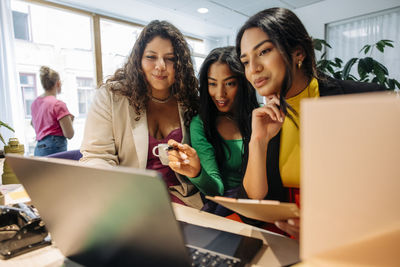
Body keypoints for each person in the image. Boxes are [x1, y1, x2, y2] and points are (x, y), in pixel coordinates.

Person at [236, 7, 385, 238]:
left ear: (298, 52)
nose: (253, 69)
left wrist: (331, 224)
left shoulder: (364, 99)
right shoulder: (262, 119)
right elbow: (252, 209)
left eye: (264, 51)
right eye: (245, 61)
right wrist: (258, 141)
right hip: (286, 241)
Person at [80, 20, 202, 208]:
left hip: (182, 200)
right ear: (138, 60)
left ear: (180, 64)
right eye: (151, 57)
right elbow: (97, 156)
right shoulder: (112, 96)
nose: (160, 66)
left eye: (170, 58)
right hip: (129, 200)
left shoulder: (190, 100)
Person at [167, 47, 259, 216]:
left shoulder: (260, 117)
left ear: (243, 83)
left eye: (229, 83)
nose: (220, 94)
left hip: (262, 204)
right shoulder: (201, 124)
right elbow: (216, 190)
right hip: (226, 208)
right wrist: (197, 172)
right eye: (212, 84)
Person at [31, 66, 74, 156]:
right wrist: (70, 121)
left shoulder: (35, 103)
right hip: (54, 148)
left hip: (39, 148)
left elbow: (33, 124)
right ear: (58, 84)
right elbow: (69, 134)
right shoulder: (58, 104)